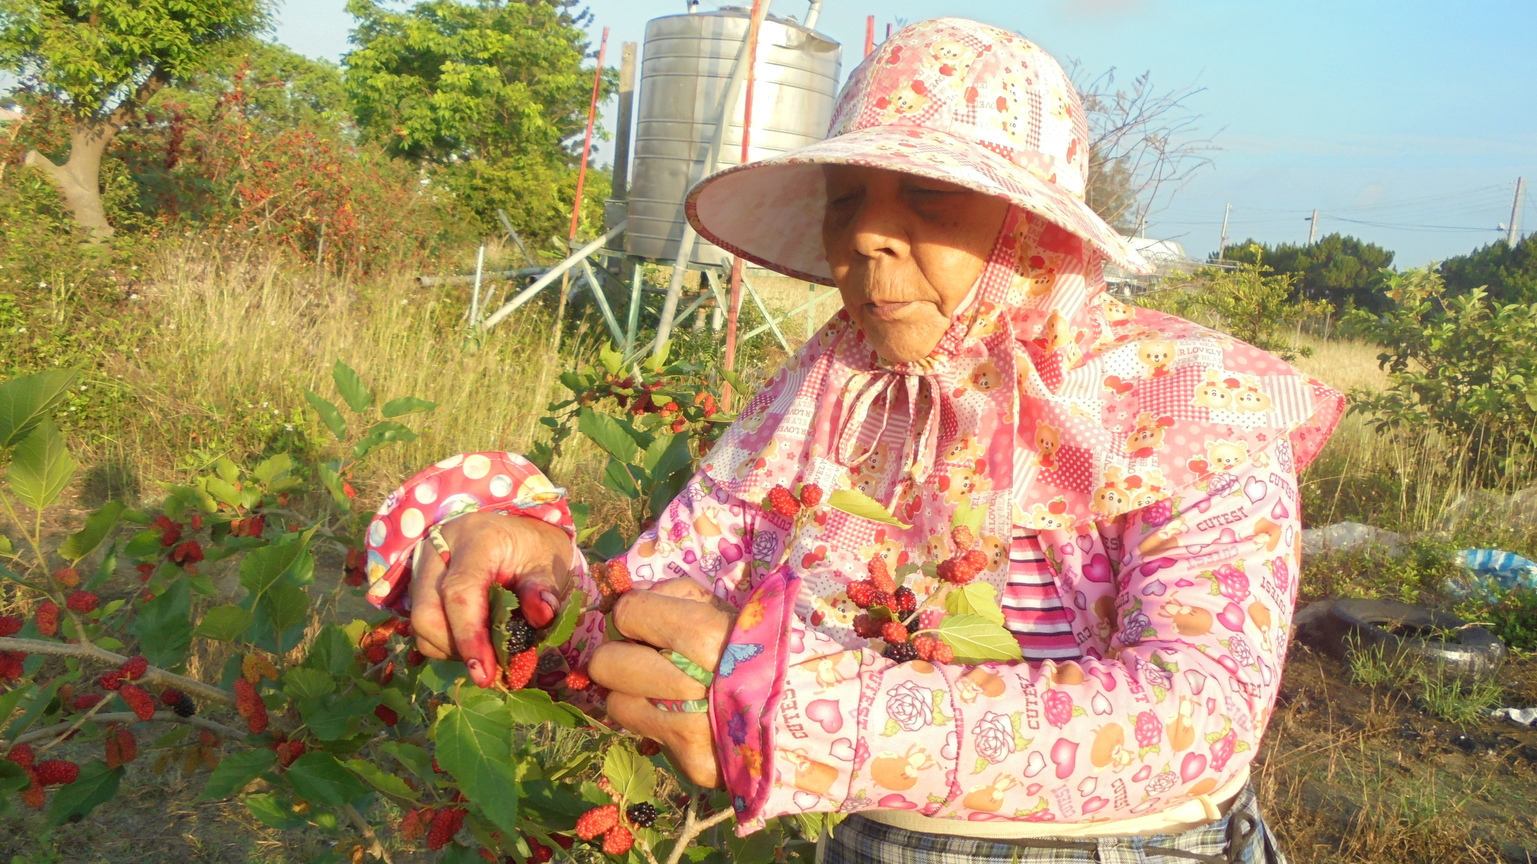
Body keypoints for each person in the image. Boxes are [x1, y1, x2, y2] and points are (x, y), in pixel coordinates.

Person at [362, 18, 1343, 863]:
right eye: (846, 200)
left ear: (1027, 227)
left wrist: (811, 718)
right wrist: (534, 573)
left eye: (928, 196)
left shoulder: (1188, 403)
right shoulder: (826, 401)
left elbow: (1199, 714)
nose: (865, 239)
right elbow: (655, 635)